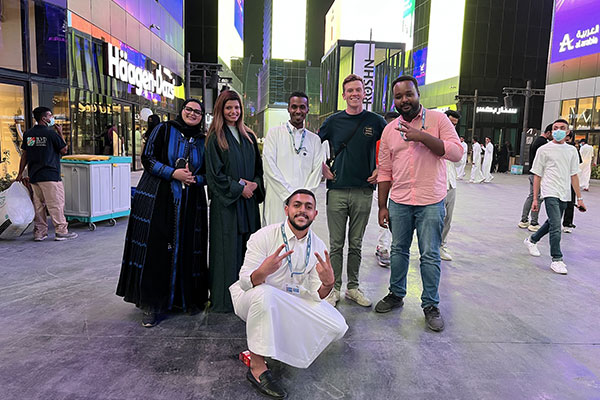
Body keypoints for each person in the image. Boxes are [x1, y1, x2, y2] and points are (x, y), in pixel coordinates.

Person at [230, 189, 347, 399]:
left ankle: (277, 346)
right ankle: (257, 367)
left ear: (315, 214)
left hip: (289, 300)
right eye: (297, 205)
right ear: (286, 209)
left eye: (308, 207)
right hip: (252, 298)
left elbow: (315, 296)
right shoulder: (264, 236)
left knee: (337, 325)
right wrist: (263, 272)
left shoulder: (318, 246)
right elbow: (245, 282)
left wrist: (328, 284)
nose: (302, 210)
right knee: (264, 294)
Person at [375, 75, 462, 332]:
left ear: (418, 94)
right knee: (398, 250)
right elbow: (384, 172)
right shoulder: (389, 130)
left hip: (431, 201)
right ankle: (396, 294)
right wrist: (382, 205)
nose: (404, 100)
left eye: (408, 94)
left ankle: (431, 305)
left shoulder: (438, 120)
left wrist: (422, 136)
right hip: (399, 201)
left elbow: (456, 153)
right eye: (399, 96)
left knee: (430, 254)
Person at [117, 99, 209, 327]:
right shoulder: (164, 129)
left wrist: (195, 178)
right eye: (189, 109)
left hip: (191, 204)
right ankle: (153, 305)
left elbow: (211, 172)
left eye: (197, 112)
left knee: (188, 249)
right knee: (159, 250)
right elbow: (147, 159)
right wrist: (173, 173)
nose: (192, 114)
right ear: (182, 111)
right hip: (160, 199)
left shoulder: (203, 140)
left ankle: (183, 300)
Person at [318, 74, 387, 307]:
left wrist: (381, 168)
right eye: (350, 91)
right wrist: (321, 167)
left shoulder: (376, 121)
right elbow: (312, 144)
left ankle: (353, 287)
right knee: (336, 244)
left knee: (356, 244)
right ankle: (334, 288)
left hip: (363, 191)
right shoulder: (333, 121)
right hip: (336, 190)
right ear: (344, 95)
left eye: (358, 90)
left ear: (364, 93)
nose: (355, 94)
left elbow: (390, 147)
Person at [206, 90, 264, 313]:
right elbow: (215, 175)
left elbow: (259, 170)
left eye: (237, 107)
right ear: (221, 109)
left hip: (248, 206)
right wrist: (240, 189)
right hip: (227, 207)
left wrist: (254, 185)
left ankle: (248, 300)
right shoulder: (215, 138)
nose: (233, 112)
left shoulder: (248, 136)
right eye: (229, 108)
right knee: (226, 253)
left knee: (249, 252)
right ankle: (225, 301)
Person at [523, 119, 586, 275]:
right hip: (549, 191)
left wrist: (579, 198)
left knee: (552, 222)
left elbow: (574, 175)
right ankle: (557, 259)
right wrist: (536, 199)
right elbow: (537, 175)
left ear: (568, 132)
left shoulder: (572, 150)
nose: (558, 130)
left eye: (562, 128)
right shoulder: (544, 149)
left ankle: (532, 240)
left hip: (564, 193)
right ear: (551, 131)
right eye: (555, 128)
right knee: (557, 227)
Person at [16, 106, 77, 242]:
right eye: (50, 115)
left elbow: (25, 155)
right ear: (44, 118)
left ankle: (40, 232)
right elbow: (64, 150)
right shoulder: (51, 134)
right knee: (56, 204)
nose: (52, 118)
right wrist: (60, 132)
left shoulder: (29, 134)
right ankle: (61, 231)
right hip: (50, 175)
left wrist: (20, 173)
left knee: (38, 206)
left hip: (34, 176)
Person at [262, 91, 323, 226]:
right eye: (294, 107)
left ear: (307, 109)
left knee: (300, 241)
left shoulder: (314, 140)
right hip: (278, 199)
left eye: (302, 107)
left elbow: (317, 171)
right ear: (288, 109)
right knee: (275, 238)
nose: (298, 111)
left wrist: (303, 199)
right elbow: (269, 167)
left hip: (303, 206)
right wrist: (288, 195)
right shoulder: (274, 134)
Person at [374, 111, 399, 267]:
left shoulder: (408, 140)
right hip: (384, 186)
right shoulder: (380, 142)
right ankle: (383, 248)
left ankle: (394, 248)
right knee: (386, 219)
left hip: (402, 188)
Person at [518, 124, 552, 231]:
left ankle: (524, 220)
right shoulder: (543, 143)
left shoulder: (537, 141)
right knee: (537, 197)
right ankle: (533, 222)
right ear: (549, 132)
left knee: (532, 196)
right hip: (538, 174)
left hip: (533, 172)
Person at [440, 110, 461, 261]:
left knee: (448, 218)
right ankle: (430, 247)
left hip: (451, 183)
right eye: (451, 123)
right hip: (437, 183)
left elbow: (459, 161)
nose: (453, 126)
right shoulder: (435, 136)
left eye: (455, 124)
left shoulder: (455, 140)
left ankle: (441, 245)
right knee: (435, 218)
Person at [562, 131, 583, 233]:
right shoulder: (573, 149)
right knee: (570, 202)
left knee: (558, 203)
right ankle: (567, 223)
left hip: (562, 179)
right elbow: (578, 163)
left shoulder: (570, 149)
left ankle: (556, 222)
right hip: (569, 179)